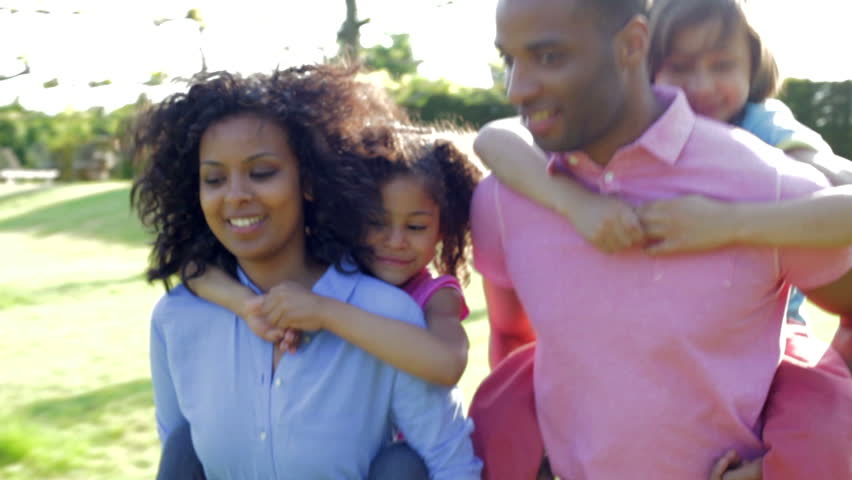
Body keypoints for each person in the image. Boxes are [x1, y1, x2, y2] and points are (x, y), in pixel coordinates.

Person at [470, 0, 852, 478]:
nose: (516, 89)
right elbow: (510, 337)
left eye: (549, 57)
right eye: (510, 59)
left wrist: (800, 447)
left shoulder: (770, 185)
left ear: (633, 44)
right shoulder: (505, 198)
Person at [131, 65, 481, 479]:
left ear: (309, 181)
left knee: (403, 467)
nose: (236, 196)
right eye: (214, 179)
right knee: (182, 448)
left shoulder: (386, 315)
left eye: (262, 173)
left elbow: (449, 460)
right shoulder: (178, 317)